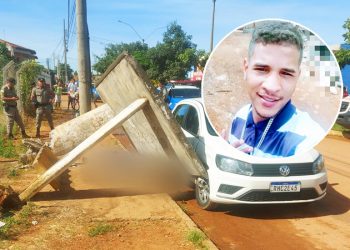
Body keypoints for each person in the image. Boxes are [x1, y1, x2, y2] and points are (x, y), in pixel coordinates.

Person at [226, 21, 325, 158]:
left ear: (297, 77)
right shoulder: (240, 116)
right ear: (245, 68)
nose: (272, 87)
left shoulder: (307, 138)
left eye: (286, 73)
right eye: (261, 69)